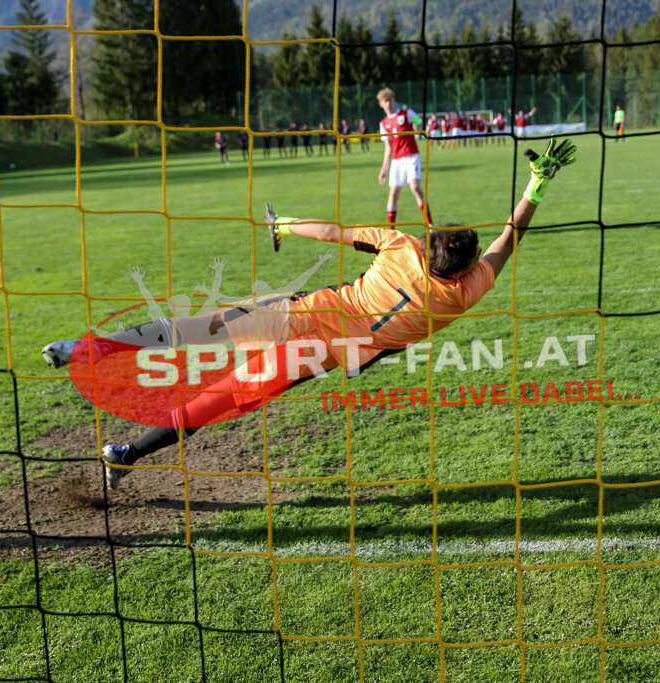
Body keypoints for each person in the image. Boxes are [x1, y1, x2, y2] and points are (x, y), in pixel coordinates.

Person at [40, 138, 578, 491]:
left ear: (430, 243)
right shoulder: (462, 295)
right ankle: (125, 454)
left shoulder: (399, 245)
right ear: (462, 270)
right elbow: (507, 243)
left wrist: (286, 224)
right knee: (216, 401)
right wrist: (537, 187)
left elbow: (334, 232)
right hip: (319, 355)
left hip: (302, 314)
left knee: (202, 328)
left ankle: (86, 349)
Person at [377, 88, 431, 228]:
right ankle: (391, 230)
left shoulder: (407, 113)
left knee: (415, 188)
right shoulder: (383, 124)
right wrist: (384, 169)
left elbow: (419, 122)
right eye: (385, 101)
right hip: (397, 160)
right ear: (381, 104)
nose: (388, 104)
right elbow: (388, 148)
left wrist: (422, 126)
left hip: (411, 156)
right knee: (393, 194)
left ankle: (430, 226)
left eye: (390, 100)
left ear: (394, 100)